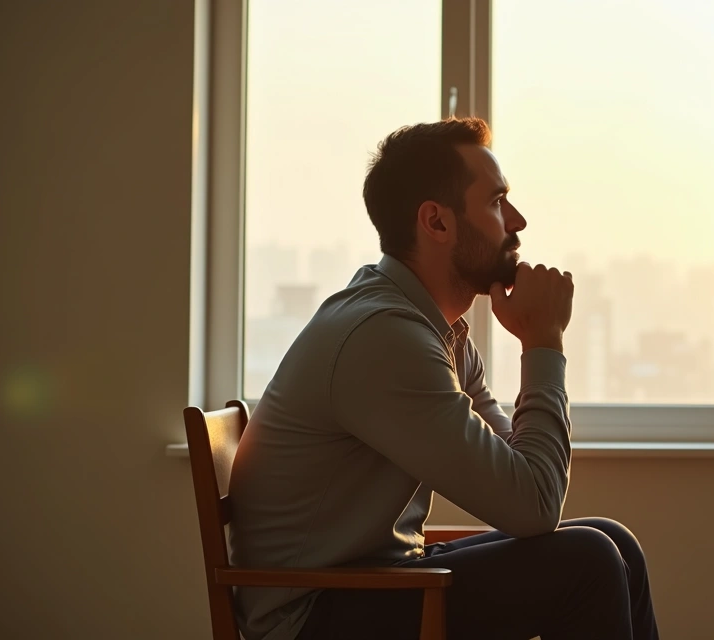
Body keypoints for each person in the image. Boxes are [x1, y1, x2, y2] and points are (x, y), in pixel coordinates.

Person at [228, 117, 659, 640]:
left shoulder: (433, 329)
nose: (518, 221)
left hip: (372, 582)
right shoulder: (384, 338)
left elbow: (520, 473)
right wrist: (543, 343)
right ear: (436, 222)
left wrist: (537, 341)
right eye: (498, 202)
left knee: (612, 542)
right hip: (314, 615)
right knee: (588, 561)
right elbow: (534, 505)